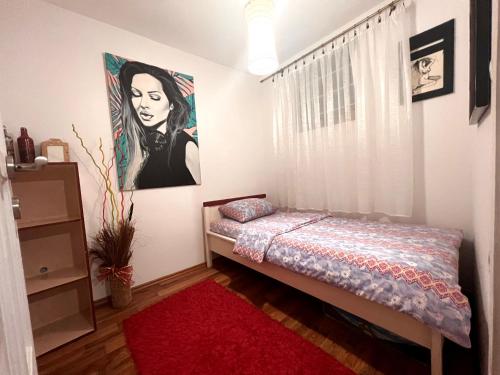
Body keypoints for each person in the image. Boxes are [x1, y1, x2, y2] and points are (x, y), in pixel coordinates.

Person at [118, 60, 201, 190]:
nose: (143, 104)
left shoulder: (187, 146)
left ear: (172, 104)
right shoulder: (140, 144)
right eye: (136, 94)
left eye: (154, 97)